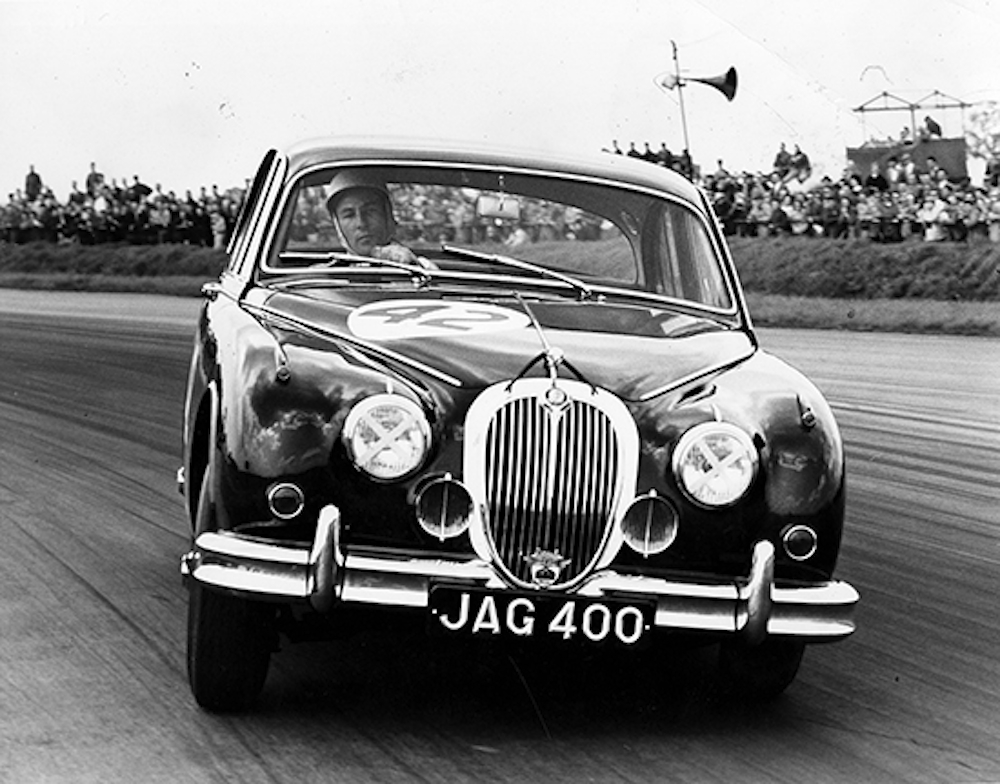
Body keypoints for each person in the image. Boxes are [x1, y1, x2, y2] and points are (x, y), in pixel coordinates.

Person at [324, 170, 421, 264]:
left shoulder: (423, 270)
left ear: (387, 215)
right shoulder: (323, 276)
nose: (361, 223)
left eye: (370, 211)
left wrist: (410, 266)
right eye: (349, 215)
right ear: (338, 225)